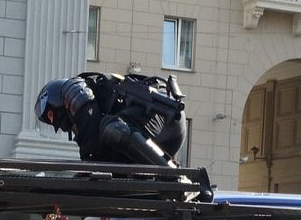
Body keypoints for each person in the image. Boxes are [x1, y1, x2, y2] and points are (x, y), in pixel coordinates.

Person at [35, 71, 187, 167]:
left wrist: (88, 178)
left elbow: (91, 145)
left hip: (162, 114)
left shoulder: (74, 90)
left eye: (52, 117)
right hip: (155, 135)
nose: (58, 125)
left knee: (113, 129)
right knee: (110, 148)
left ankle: (177, 182)